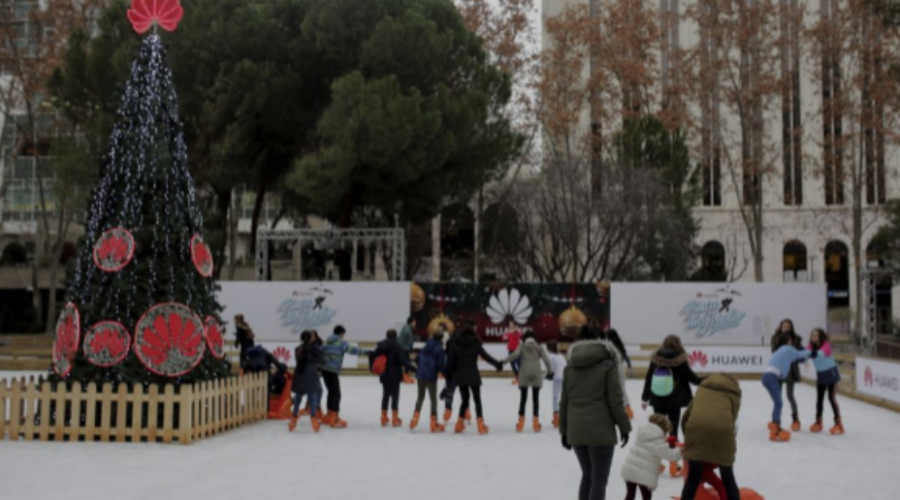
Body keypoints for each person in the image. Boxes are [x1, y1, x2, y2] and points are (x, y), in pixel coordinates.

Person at [559, 325, 632, 500]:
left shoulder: (570, 367)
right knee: (598, 481)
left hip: (577, 431)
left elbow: (564, 403)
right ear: (602, 341)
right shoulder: (608, 365)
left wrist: (564, 431)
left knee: (587, 475)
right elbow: (616, 401)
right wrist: (624, 427)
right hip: (601, 432)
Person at [640, 334, 703, 477]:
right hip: (675, 401)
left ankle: (654, 464)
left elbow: (649, 377)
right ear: (678, 345)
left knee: (657, 433)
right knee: (672, 434)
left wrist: (645, 398)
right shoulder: (679, 360)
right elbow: (693, 379)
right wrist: (709, 380)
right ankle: (674, 467)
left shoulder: (656, 359)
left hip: (657, 399)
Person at [679, 373, 743, 500]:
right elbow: (732, 418)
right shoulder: (734, 393)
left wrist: (689, 439)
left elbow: (686, 416)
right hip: (723, 431)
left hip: (696, 429)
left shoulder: (702, 388)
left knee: (693, 478)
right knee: (728, 478)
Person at [447, 325, 502, 434]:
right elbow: (486, 357)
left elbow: (450, 363)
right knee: (477, 400)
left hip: (461, 376)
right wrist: (498, 364)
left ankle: (459, 424)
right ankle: (480, 425)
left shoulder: (456, 344)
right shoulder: (476, 344)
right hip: (473, 376)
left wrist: (451, 374)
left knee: (465, 400)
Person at [763, 334, 815, 442]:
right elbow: (799, 353)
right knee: (779, 403)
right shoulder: (787, 348)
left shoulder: (782, 351)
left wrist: (805, 359)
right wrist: (811, 352)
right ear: (788, 341)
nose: (791, 342)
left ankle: (775, 424)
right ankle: (775, 430)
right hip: (771, 377)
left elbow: (791, 361)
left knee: (778, 403)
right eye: (790, 340)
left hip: (768, 376)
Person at [620, 414, 683, 500]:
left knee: (630, 495)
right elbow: (670, 455)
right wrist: (681, 450)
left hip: (630, 469)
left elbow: (651, 444)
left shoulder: (643, 432)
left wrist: (666, 441)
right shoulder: (658, 442)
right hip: (644, 475)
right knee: (646, 497)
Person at [501, 330, 553, 432]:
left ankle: (520, 423)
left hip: (524, 373)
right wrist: (550, 372)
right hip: (536, 373)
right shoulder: (539, 347)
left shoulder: (522, 346)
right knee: (535, 399)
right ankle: (535, 423)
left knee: (523, 399)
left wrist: (503, 362)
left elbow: (514, 356)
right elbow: (547, 360)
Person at [319, 325, 369, 428]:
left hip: (324, 370)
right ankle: (334, 417)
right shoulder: (341, 342)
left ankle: (329, 414)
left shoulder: (327, 341)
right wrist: (366, 352)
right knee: (336, 393)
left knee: (331, 392)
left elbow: (321, 350)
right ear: (341, 333)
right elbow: (352, 350)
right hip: (332, 370)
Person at [370, 329, 416, 427]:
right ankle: (395, 419)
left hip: (384, 374)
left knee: (385, 395)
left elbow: (374, 358)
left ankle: (383, 417)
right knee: (395, 396)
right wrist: (412, 368)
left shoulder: (380, 346)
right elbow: (402, 360)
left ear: (386, 336)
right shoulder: (398, 346)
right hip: (395, 374)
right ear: (396, 336)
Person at [410, 330, 448, 432]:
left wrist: (421, 368)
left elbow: (417, 358)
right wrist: (446, 374)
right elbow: (441, 364)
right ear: (441, 339)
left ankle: (414, 418)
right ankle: (433, 422)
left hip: (420, 375)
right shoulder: (439, 349)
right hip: (431, 376)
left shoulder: (426, 346)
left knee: (420, 397)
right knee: (433, 399)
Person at [808, 328, 843, 435]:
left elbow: (821, 353)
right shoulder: (811, 346)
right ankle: (818, 422)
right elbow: (806, 352)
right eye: (812, 335)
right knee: (819, 399)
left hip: (831, 373)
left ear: (820, 336)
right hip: (821, 374)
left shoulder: (826, 345)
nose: (814, 337)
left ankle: (838, 424)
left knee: (831, 398)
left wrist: (810, 353)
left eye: (816, 335)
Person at [771, 319, 804, 431]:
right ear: (781, 327)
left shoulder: (796, 339)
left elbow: (799, 353)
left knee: (790, 396)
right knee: (777, 397)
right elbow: (774, 351)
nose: (786, 328)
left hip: (790, 371)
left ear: (791, 328)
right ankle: (776, 421)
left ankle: (795, 419)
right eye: (784, 326)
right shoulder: (776, 338)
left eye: (788, 326)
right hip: (779, 370)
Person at [289, 330, 324, 433]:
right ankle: (313, 418)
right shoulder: (314, 349)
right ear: (311, 338)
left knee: (298, 397)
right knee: (312, 397)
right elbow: (321, 360)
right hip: (311, 374)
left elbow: (298, 359)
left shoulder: (298, 349)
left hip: (299, 375)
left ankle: (294, 418)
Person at [603, 328, 634, 419]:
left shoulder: (608, 344)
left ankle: (611, 410)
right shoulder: (619, 344)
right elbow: (625, 356)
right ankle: (628, 409)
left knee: (609, 389)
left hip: (610, 368)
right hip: (620, 368)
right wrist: (629, 366)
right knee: (622, 389)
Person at [441, 325, 461, 423]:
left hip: (451, 371)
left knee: (449, 392)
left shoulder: (449, 342)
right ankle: (466, 412)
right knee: (464, 394)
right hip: (461, 371)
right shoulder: (463, 343)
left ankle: (447, 412)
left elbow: (446, 356)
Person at [547, 340, 567, 429]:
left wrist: (544, 376)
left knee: (555, 397)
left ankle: (556, 417)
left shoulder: (551, 356)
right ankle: (564, 416)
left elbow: (551, 370)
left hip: (558, 378)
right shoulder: (561, 356)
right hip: (565, 377)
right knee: (564, 397)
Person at [398, 317, 418, 384]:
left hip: (403, 349)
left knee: (406, 363)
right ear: (411, 322)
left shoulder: (407, 328)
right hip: (403, 349)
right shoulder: (407, 329)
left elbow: (410, 337)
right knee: (406, 363)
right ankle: (405, 377)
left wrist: (416, 337)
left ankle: (405, 376)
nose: (415, 324)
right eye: (414, 322)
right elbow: (409, 338)